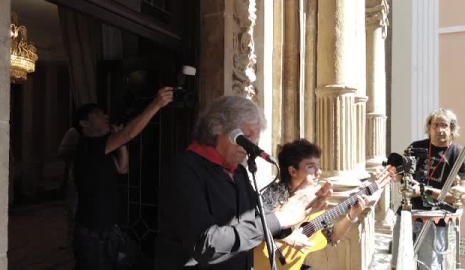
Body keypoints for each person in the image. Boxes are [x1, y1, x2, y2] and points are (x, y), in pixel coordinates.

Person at [155, 96, 332, 270]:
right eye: (246, 137)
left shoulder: (239, 172)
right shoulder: (185, 169)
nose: (250, 146)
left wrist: (302, 203)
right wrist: (279, 218)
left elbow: (256, 221)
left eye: (255, 139)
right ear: (218, 128)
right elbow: (206, 244)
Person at [72, 87, 173, 270]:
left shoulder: (102, 149)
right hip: (92, 232)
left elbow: (122, 168)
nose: (104, 115)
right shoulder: (88, 146)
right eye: (97, 113)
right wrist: (156, 104)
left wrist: (120, 142)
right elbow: (129, 133)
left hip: (108, 228)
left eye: (103, 112)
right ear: (83, 123)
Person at [261, 139, 370, 269]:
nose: (319, 172)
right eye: (311, 166)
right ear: (293, 171)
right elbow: (256, 227)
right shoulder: (273, 193)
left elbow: (332, 236)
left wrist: (351, 216)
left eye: (318, 166)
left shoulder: (314, 197)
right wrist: (288, 238)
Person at [391, 108, 465, 269]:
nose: (440, 130)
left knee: (428, 267)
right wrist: (394, 173)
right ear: (429, 128)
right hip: (407, 216)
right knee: (398, 265)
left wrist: (424, 190)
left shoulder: (458, 155)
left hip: (436, 220)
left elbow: (460, 196)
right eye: (435, 125)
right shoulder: (415, 148)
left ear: (452, 129)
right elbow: (399, 177)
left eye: (444, 125)